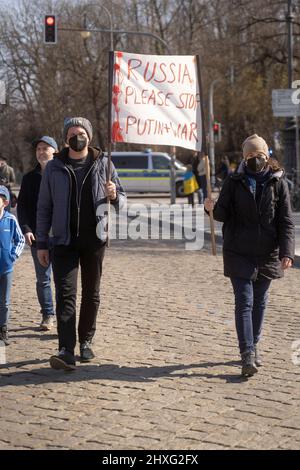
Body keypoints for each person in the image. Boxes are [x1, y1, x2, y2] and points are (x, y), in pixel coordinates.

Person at [36, 117, 126, 371]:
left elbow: (124, 202)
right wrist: (42, 243)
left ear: (89, 136)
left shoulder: (104, 164)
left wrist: (114, 195)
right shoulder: (54, 167)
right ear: (66, 138)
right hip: (63, 241)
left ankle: (86, 341)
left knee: (91, 294)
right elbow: (44, 207)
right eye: (73, 133)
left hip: (94, 240)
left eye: (82, 132)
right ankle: (66, 349)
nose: (78, 136)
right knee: (66, 294)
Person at [204, 134, 295, 377]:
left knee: (260, 303)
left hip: (267, 253)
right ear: (244, 158)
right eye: (249, 156)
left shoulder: (278, 183)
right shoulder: (234, 181)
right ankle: (247, 354)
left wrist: (287, 252)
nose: (254, 159)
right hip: (238, 251)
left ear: (268, 156)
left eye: (259, 155)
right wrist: (209, 208)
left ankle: (253, 346)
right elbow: (222, 214)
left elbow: (285, 222)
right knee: (244, 302)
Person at [17, 136, 58, 331]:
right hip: (38, 237)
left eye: (45, 148)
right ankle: (48, 315)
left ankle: (64, 317)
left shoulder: (63, 174)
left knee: (63, 280)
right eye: (38, 149)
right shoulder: (29, 178)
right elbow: (23, 207)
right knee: (43, 279)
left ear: (55, 151)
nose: (41, 152)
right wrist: (26, 229)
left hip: (61, 237)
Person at [0, 186, 25, 345]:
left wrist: (12, 256)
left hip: (6, 268)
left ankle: (3, 329)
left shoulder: (10, 219)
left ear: (5, 202)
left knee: (4, 302)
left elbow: (20, 239)